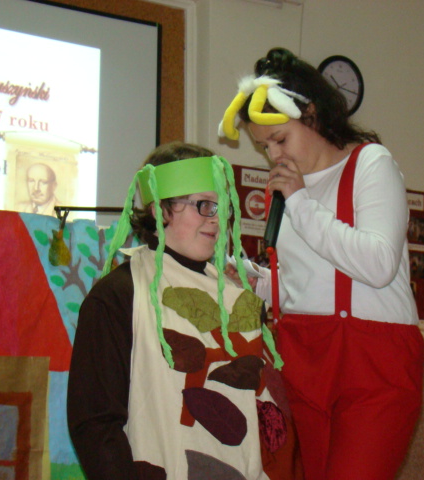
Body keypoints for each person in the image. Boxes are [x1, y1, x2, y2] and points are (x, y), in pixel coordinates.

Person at [219, 48, 424, 480]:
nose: (274, 156)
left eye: (281, 140)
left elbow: (378, 264)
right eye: (264, 146)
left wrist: (300, 202)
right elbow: (304, 283)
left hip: (373, 365)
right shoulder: (287, 191)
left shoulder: (370, 163)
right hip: (305, 361)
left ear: (311, 115)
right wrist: (254, 280)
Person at [67, 141, 302, 480]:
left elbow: (267, 413)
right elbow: (95, 422)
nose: (217, 219)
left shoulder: (237, 298)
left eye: (223, 206)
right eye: (204, 205)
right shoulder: (118, 296)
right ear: (160, 210)